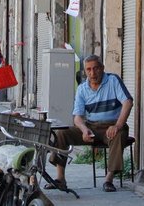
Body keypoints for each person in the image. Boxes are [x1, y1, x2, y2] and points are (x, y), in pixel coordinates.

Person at [47, 55, 133, 192]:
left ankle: (108, 180)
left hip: (111, 126)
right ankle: (60, 179)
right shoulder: (82, 88)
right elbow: (77, 116)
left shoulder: (113, 80)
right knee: (61, 133)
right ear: (85, 71)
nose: (92, 73)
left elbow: (128, 102)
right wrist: (83, 129)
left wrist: (117, 125)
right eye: (88, 70)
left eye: (96, 69)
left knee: (118, 134)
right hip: (91, 126)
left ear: (102, 68)